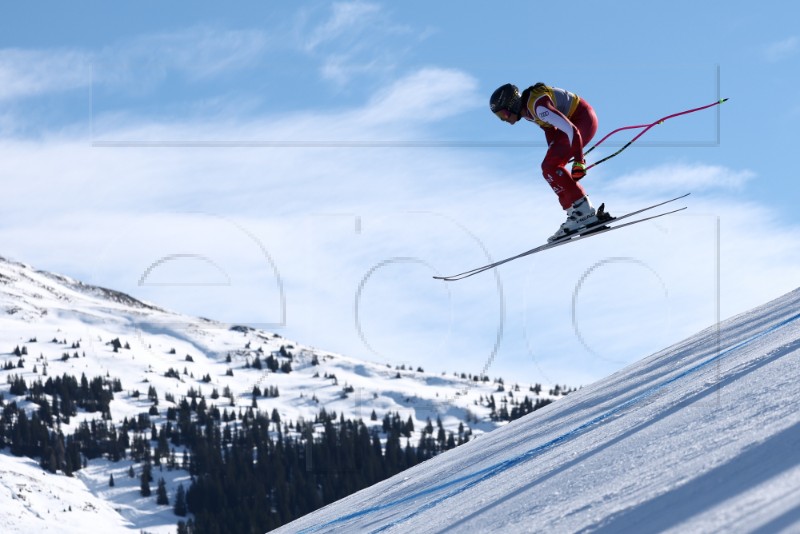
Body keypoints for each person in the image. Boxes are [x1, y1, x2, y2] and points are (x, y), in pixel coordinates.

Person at [490, 82, 611, 242]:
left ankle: (583, 212)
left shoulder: (538, 107)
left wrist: (579, 161)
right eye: (499, 117)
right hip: (573, 124)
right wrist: (557, 159)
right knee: (548, 168)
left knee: (549, 166)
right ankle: (574, 212)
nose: (504, 120)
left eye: (504, 114)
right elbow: (549, 129)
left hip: (583, 120)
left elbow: (572, 130)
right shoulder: (527, 112)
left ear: (512, 104)